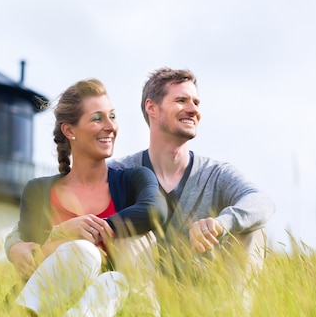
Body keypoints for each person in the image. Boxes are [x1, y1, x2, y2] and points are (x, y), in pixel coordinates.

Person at [7, 78, 167, 317]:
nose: (110, 126)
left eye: (112, 116)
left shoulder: (133, 180)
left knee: (113, 281)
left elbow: (156, 210)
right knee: (84, 254)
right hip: (41, 310)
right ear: (70, 130)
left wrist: (97, 229)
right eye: (97, 118)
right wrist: (64, 233)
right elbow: (30, 263)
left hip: (105, 311)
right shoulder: (38, 191)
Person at [110, 67, 275, 297]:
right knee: (127, 229)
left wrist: (223, 223)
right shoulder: (120, 172)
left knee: (253, 230)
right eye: (181, 100)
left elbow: (261, 202)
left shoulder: (215, 174)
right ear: (152, 108)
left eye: (196, 103)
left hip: (204, 302)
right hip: (138, 300)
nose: (193, 109)